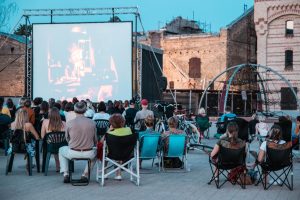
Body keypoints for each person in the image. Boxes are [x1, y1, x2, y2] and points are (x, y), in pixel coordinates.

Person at [59, 102, 97, 183]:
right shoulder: (92, 123)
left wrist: (73, 143)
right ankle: (85, 174)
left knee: (61, 149)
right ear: (86, 110)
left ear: (74, 111)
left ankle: (65, 174)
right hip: (89, 153)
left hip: (73, 152)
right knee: (97, 153)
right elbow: (95, 140)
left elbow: (67, 138)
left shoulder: (69, 123)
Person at [106, 113, 133, 180]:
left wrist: (108, 130)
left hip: (111, 155)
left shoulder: (110, 133)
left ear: (111, 123)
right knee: (121, 149)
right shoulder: (128, 130)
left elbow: (101, 142)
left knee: (104, 153)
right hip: (127, 154)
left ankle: (105, 173)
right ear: (123, 122)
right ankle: (118, 174)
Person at [41, 107, 66, 172]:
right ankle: (59, 167)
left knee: (51, 142)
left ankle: (49, 167)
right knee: (58, 143)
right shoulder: (64, 123)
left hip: (50, 146)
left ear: (50, 114)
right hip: (62, 146)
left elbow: (42, 136)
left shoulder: (45, 122)